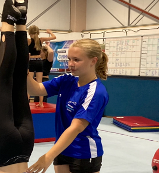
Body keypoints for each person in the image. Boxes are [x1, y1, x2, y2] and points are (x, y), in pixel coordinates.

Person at [26, 39, 109, 173]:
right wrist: (24, 69)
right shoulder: (67, 79)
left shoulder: (95, 92)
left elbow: (75, 128)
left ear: (93, 61)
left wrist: (48, 156)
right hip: (62, 147)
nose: (71, 64)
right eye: (69, 59)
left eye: (76, 60)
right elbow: (35, 89)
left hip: (82, 152)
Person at [0, 0, 34, 173]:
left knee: (19, 82)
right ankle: (8, 20)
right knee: (3, 82)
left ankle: (21, 23)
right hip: (4, 147)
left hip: (26, 145)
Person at [28, 26, 56, 107]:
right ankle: (41, 103)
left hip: (32, 62)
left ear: (29, 33)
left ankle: (26, 102)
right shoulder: (41, 39)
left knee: (29, 83)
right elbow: (54, 37)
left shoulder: (29, 40)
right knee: (40, 83)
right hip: (39, 62)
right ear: (38, 32)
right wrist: (50, 32)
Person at [34, 41, 54, 105]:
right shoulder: (38, 60)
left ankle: (42, 113)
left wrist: (47, 46)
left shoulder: (48, 61)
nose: (40, 53)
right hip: (37, 80)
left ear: (45, 53)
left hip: (44, 80)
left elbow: (51, 52)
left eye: (41, 52)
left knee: (42, 100)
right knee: (36, 100)